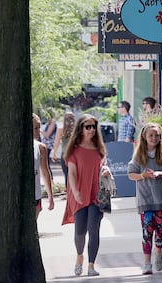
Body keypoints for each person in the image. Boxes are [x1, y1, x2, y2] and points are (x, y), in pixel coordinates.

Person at [62, 114, 112, 277]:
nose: (91, 130)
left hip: (96, 194)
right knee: (80, 231)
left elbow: (103, 167)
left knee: (94, 229)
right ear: (80, 129)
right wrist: (75, 192)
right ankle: (79, 256)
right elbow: (72, 174)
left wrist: (105, 170)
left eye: (93, 126)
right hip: (79, 194)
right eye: (87, 127)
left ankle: (91, 265)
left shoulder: (99, 149)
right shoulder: (74, 150)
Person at [128, 122, 162, 275]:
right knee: (147, 232)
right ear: (144, 136)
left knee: (161, 231)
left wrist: (159, 174)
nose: (154, 138)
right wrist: (143, 175)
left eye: (156, 135)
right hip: (146, 200)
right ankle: (147, 263)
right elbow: (131, 174)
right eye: (151, 135)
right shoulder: (138, 155)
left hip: (160, 199)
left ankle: (159, 250)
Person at [33, 114, 54, 219]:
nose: (38, 131)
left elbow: (45, 172)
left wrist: (50, 196)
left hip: (36, 195)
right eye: (35, 128)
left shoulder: (41, 147)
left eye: (39, 127)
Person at [51, 111, 76, 187]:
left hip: (65, 155)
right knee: (76, 175)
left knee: (67, 175)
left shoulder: (61, 129)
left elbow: (56, 143)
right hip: (76, 155)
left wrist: (54, 153)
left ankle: (69, 195)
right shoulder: (77, 129)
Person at [41, 112, 58, 177]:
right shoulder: (49, 123)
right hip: (46, 144)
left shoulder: (53, 123)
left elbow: (47, 134)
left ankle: (50, 178)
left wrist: (39, 129)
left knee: (46, 163)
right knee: (45, 162)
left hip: (48, 145)